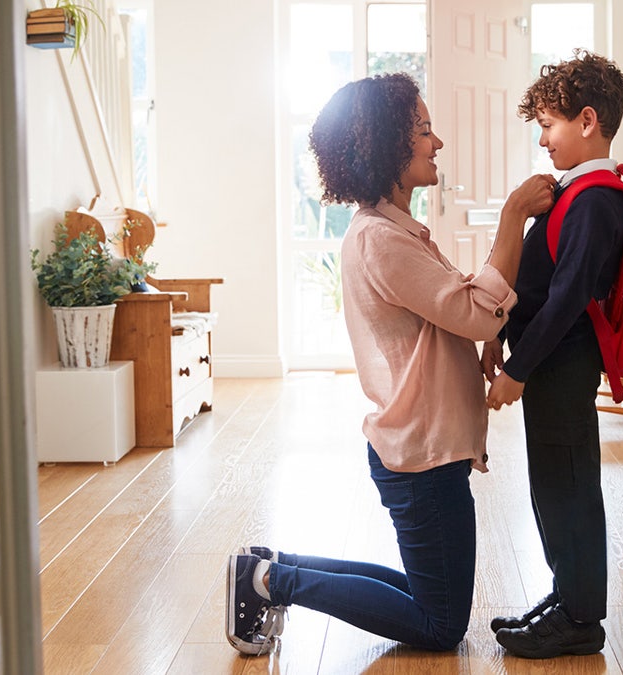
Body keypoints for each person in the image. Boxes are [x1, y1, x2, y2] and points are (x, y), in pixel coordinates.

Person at [225, 72, 557, 656]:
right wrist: (512, 218)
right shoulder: (382, 239)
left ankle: (270, 566)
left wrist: (479, 331)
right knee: (440, 623)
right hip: (422, 457)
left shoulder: (393, 230)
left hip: (422, 449)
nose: (438, 143)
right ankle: (273, 582)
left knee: (430, 595)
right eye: (424, 131)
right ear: (386, 147)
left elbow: (454, 311)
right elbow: (477, 312)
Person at [480, 50, 623, 659]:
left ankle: (581, 618)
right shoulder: (575, 192)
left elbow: (567, 298)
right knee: (552, 485)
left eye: (549, 125)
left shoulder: (595, 198)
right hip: (551, 365)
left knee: (567, 488)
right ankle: (567, 598)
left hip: (561, 366)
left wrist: (518, 369)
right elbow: (540, 282)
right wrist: (499, 329)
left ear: (587, 120)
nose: (542, 139)